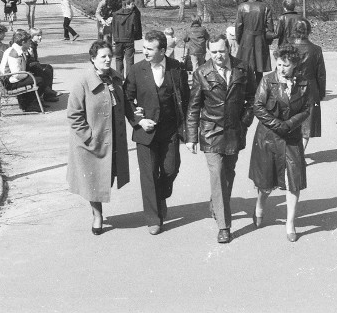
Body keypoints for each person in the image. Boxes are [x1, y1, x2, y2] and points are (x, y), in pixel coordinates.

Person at [185, 35, 256, 244]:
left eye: (222, 51)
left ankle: (216, 202)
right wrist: (191, 136)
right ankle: (224, 226)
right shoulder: (201, 73)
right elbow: (194, 106)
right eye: (214, 51)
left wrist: (244, 122)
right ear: (208, 51)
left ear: (229, 49)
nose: (218, 55)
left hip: (235, 130)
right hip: (211, 131)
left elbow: (252, 98)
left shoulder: (243, 68)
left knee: (228, 173)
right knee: (217, 173)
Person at [124, 30, 189, 235]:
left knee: (170, 169)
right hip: (146, 132)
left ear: (163, 50)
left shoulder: (177, 69)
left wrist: (187, 129)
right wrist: (139, 120)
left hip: (169, 130)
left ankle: (160, 196)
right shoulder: (136, 70)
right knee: (148, 174)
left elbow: (185, 99)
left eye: (150, 49)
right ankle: (154, 218)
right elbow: (127, 99)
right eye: (144, 48)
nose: (145, 52)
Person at [66, 40, 132, 235]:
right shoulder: (83, 82)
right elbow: (73, 114)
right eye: (102, 56)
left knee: (107, 177)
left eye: (109, 56)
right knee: (93, 180)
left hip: (113, 140)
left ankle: (98, 211)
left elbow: (126, 104)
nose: (107, 59)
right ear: (93, 59)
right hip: (90, 144)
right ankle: (97, 215)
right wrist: (89, 137)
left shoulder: (116, 79)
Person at [249, 43, 311, 242]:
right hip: (268, 138)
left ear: (295, 64)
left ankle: (290, 222)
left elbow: (307, 109)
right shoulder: (267, 80)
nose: (281, 69)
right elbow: (258, 106)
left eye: (285, 65)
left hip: (291, 138)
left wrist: (290, 124)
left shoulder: (304, 83)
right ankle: (259, 205)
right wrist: (278, 125)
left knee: (294, 181)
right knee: (266, 184)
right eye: (279, 64)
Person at [290, 19, 326, 150]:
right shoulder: (316, 50)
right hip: (311, 88)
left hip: (291, 86)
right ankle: (300, 152)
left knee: (290, 119)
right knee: (307, 122)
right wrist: (321, 93)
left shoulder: (288, 48)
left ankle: (293, 152)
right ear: (309, 31)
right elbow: (321, 74)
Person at [235, 0, 275, 85]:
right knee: (259, 67)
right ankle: (259, 89)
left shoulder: (242, 7)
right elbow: (270, 26)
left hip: (246, 38)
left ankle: (246, 90)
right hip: (260, 38)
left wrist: (239, 40)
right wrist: (268, 40)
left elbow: (238, 26)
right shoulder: (265, 6)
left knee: (245, 66)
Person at [0, 29, 46, 113]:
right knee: (40, 80)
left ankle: (31, 102)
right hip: (9, 81)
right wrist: (27, 74)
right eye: (28, 42)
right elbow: (16, 74)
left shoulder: (16, 49)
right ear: (23, 43)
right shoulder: (14, 53)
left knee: (38, 72)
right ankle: (28, 105)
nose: (30, 44)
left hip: (10, 78)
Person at [111, 0, 142, 78]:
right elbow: (136, 29)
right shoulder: (133, 15)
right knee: (129, 60)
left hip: (118, 40)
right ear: (127, 5)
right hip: (129, 40)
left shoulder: (115, 14)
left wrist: (115, 38)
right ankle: (129, 79)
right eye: (132, 4)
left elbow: (113, 28)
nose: (133, 6)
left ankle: (119, 78)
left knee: (118, 59)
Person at [27, 28, 60, 103]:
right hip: (30, 67)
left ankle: (48, 93)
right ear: (32, 36)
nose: (40, 37)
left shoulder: (33, 44)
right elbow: (30, 60)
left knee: (49, 67)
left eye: (41, 35)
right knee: (46, 70)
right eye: (38, 35)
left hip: (33, 65)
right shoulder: (30, 45)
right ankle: (47, 92)